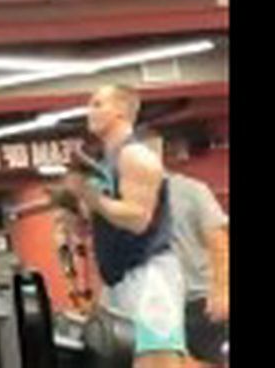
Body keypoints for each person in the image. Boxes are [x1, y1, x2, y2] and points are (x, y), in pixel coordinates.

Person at [64, 85, 189, 367]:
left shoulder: (135, 156)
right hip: (117, 278)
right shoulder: (103, 163)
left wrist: (91, 197)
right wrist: (76, 210)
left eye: (98, 104)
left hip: (149, 276)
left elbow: (137, 219)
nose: (89, 111)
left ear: (120, 111)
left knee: (156, 360)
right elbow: (101, 216)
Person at [151, 137, 230, 365]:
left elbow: (218, 240)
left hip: (199, 301)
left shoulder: (190, 191)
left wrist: (222, 291)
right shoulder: (129, 200)